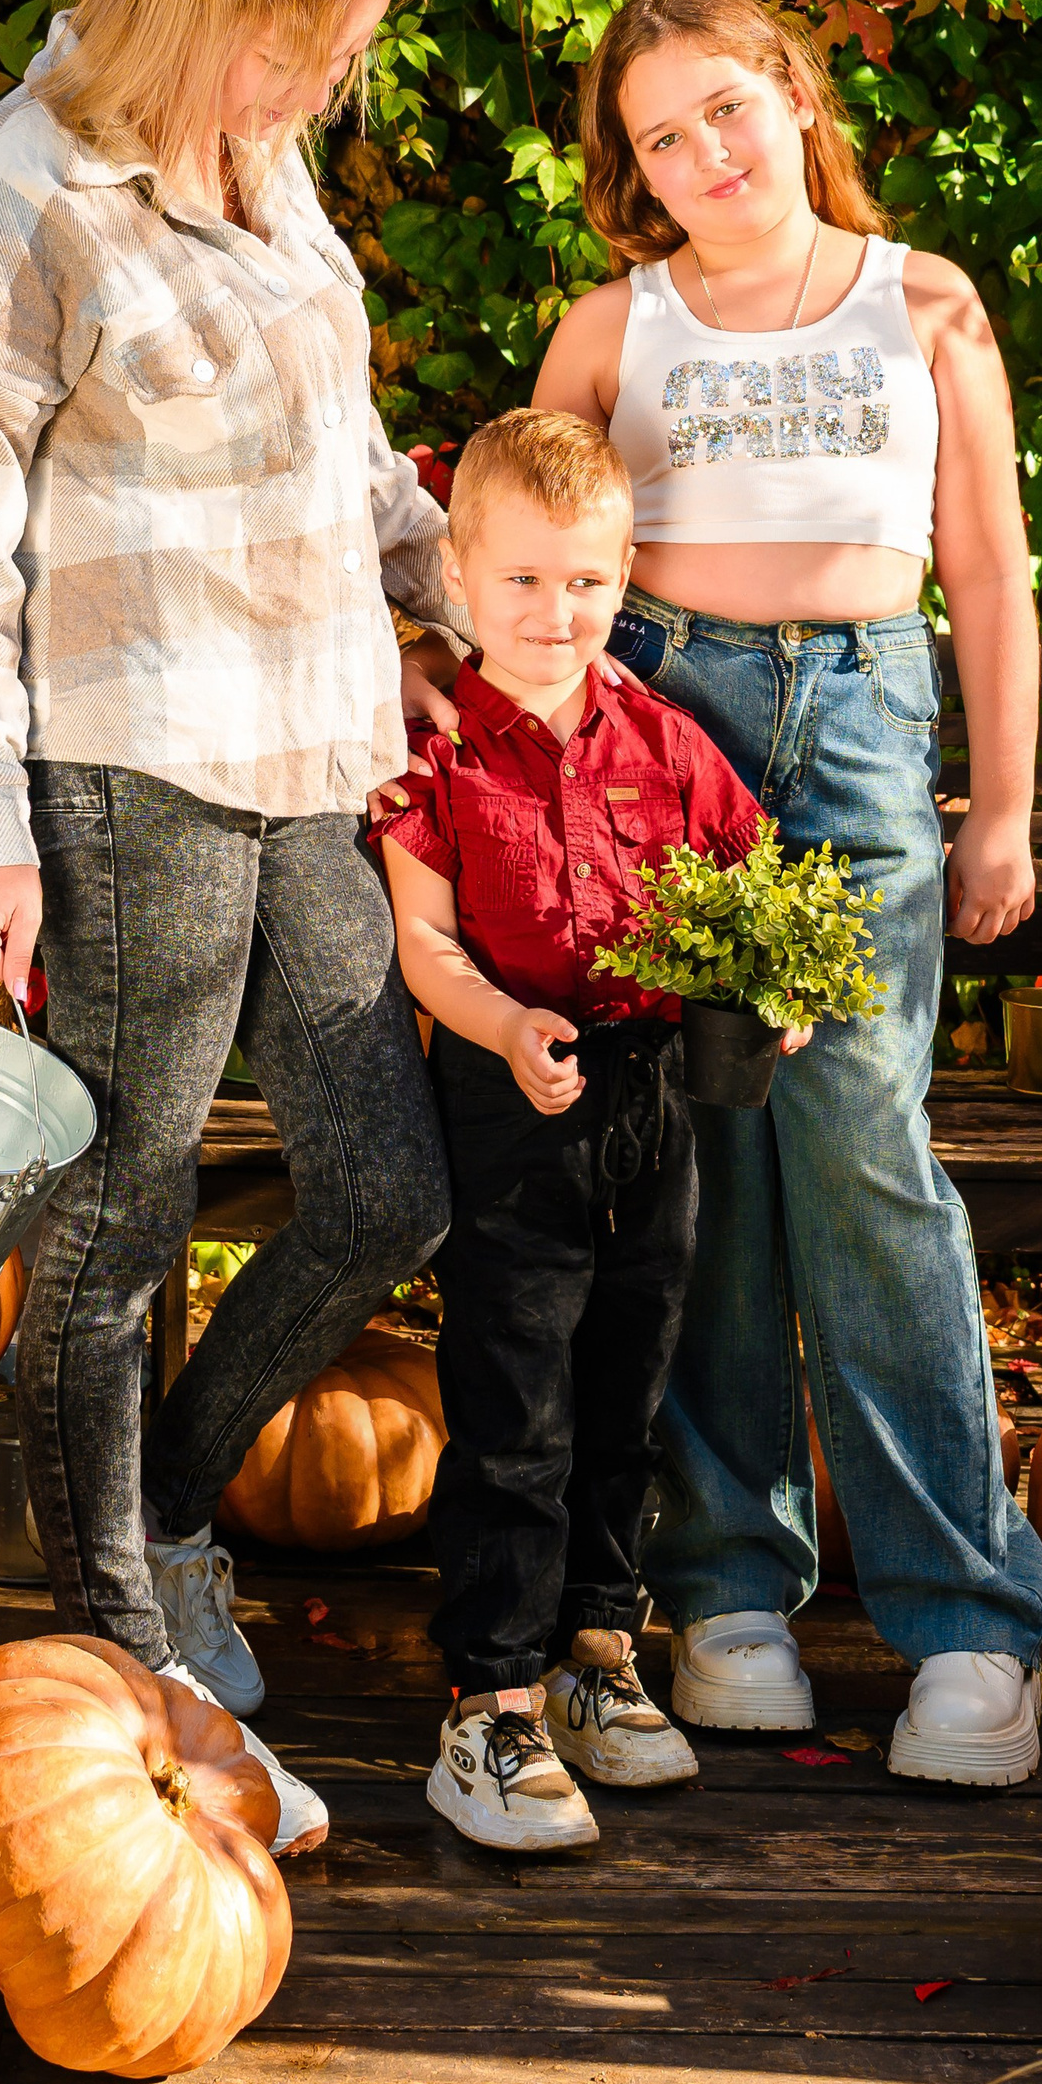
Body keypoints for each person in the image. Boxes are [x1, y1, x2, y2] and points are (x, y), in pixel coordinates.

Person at [0, 0, 472, 1860]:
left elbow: (334, 453)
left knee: (388, 1191)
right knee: (118, 1220)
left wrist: (453, 593)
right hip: (127, 770)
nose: (316, 91)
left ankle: (156, 1505)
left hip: (309, 753)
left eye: (338, 61)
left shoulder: (266, 161)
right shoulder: (16, 202)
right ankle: (121, 1649)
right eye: (291, 50)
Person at [530, 0, 1042, 1784]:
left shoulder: (927, 305)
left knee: (861, 1140)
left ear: (794, 94)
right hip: (665, 721)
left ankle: (970, 1623)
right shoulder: (614, 332)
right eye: (659, 139)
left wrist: (1001, 806)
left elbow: (987, 566)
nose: (702, 156)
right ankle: (731, 1589)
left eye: (724, 110)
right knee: (701, 1152)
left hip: (861, 725)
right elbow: (532, 571)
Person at [377, 409, 803, 1853]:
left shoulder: (669, 745)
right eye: (523, 585)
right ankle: (486, 1705)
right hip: (513, 1096)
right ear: (457, 572)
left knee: (628, 1388)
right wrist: (502, 1026)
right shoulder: (436, 760)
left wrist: (773, 991)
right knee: (517, 1405)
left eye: (587, 584)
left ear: (624, 577)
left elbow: (756, 891)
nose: (557, 615)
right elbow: (425, 940)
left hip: (654, 1096)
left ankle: (596, 1660)